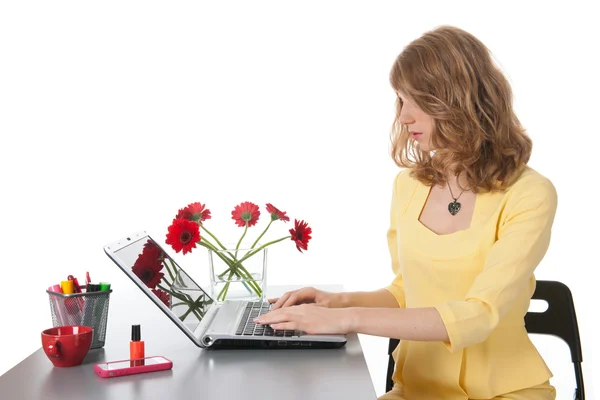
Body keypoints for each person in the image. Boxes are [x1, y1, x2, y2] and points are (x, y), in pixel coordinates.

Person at [254, 25, 558, 400]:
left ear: (461, 100)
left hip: (505, 393)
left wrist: (345, 319)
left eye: (419, 101)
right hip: (416, 389)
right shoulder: (409, 186)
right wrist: (337, 301)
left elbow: (479, 314)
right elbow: (406, 292)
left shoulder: (529, 193)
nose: (404, 117)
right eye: (400, 100)